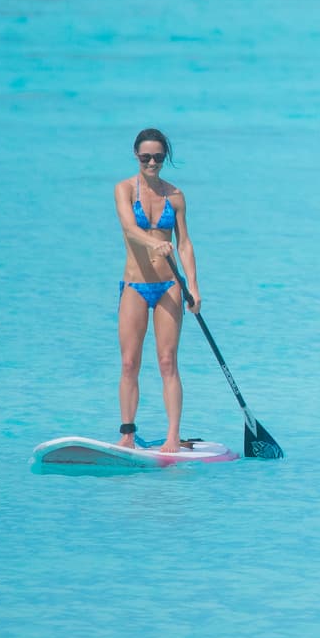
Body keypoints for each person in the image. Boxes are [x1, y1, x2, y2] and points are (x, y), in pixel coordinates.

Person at [114, 128, 201, 452]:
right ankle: (127, 434)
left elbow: (185, 244)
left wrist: (193, 285)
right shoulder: (123, 189)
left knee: (167, 361)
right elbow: (129, 228)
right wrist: (155, 243)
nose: (152, 162)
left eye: (159, 157)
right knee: (129, 363)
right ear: (136, 156)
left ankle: (171, 437)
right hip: (135, 285)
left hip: (169, 286)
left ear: (166, 158)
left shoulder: (175, 196)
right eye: (146, 157)